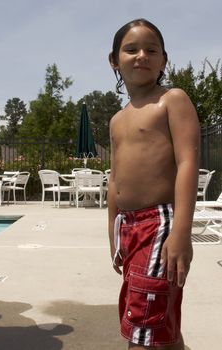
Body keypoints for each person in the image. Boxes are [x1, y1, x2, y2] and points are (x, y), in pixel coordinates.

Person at [108, 18, 200, 350]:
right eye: (131, 49)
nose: (141, 55)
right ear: (114, 60)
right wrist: (112, 231)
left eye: (152, 49)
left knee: (142, 327)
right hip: (129, 228)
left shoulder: (172, 100)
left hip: (159, 225)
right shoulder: (117, 119)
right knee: (159, 321)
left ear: (164, 60)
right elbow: (114, 177)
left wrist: (181, 231)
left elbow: (187, 162)